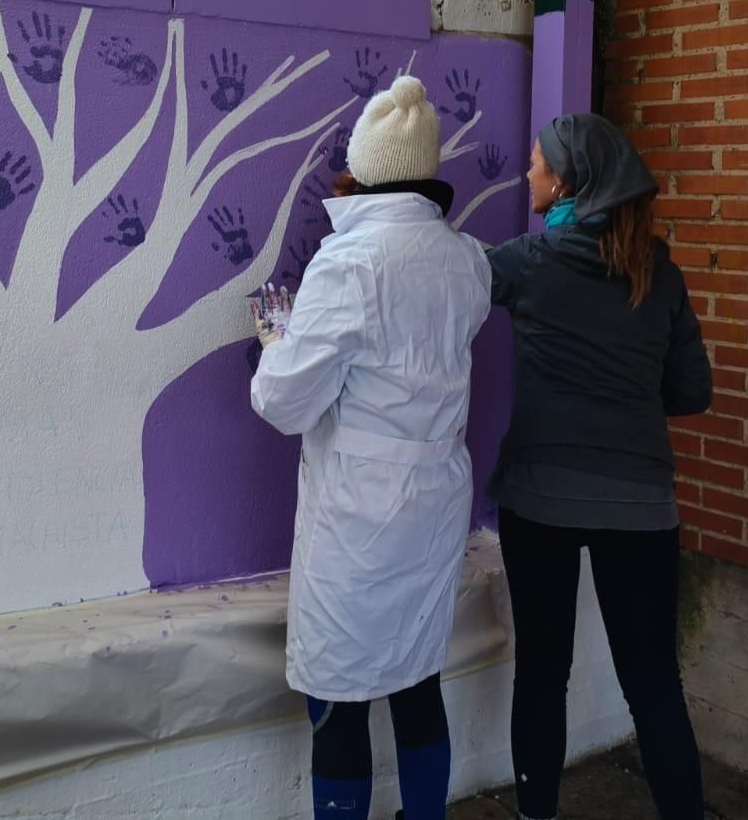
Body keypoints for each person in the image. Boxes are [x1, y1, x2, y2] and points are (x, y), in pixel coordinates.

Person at [249, 74, 492, 820]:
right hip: (437, 500)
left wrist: (277, 342)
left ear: (364, 171)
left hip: (360, 516)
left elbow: (283, 402)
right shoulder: (469, 260)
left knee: (340, 692)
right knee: (418, 677)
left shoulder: (348, 265)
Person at [485, 112, 712, 820]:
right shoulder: (659, 273)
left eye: (535, 164)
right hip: (642, 505)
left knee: (544, 674)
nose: (526, 173)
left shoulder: (525, 261)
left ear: (565, 181)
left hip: (540, 500)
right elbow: (692, 393)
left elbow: (441, 293)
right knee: (652, 681)